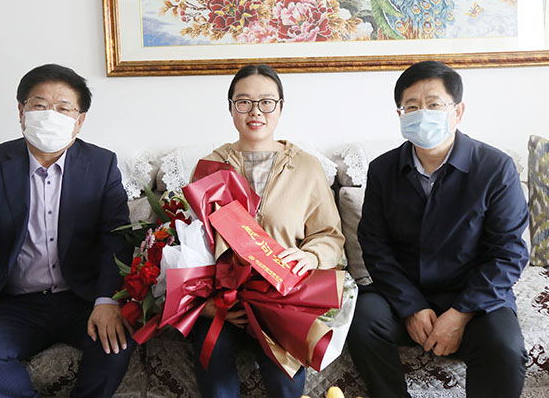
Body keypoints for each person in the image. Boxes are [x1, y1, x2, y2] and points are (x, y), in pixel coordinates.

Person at [0, 64, 136, 398]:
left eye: (63, 108)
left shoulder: (101, 165)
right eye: (40, 105)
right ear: (21, 112)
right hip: (16, 303)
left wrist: (107, 300)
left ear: (79, 120)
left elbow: (116, 237)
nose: (50, 116)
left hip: (81, 298)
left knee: (117, 345)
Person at [347, 60, 529, 398]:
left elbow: (508, 253)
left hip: (474, 296)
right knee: (362, 324)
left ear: (458, 111)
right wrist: (412, 308)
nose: (422, 114)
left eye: (434, 105)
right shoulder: (383, 170)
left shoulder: (495, 168)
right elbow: (375, 246)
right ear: (400, 114)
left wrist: (460, 314)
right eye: (411, 107)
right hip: (403, 292)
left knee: (505, 348)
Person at [190, 64, 346, 398]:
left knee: (284, 382)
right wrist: (209, 304)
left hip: (282, 299)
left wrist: (310, 256)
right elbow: (191, 242)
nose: (255, 111)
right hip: (226, 301)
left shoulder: (306, 166)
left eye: (266, 102)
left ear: (281, 107)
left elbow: (329, 236)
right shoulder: (210, 167)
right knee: (213, 367)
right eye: (244, 102)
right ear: (231, 107)